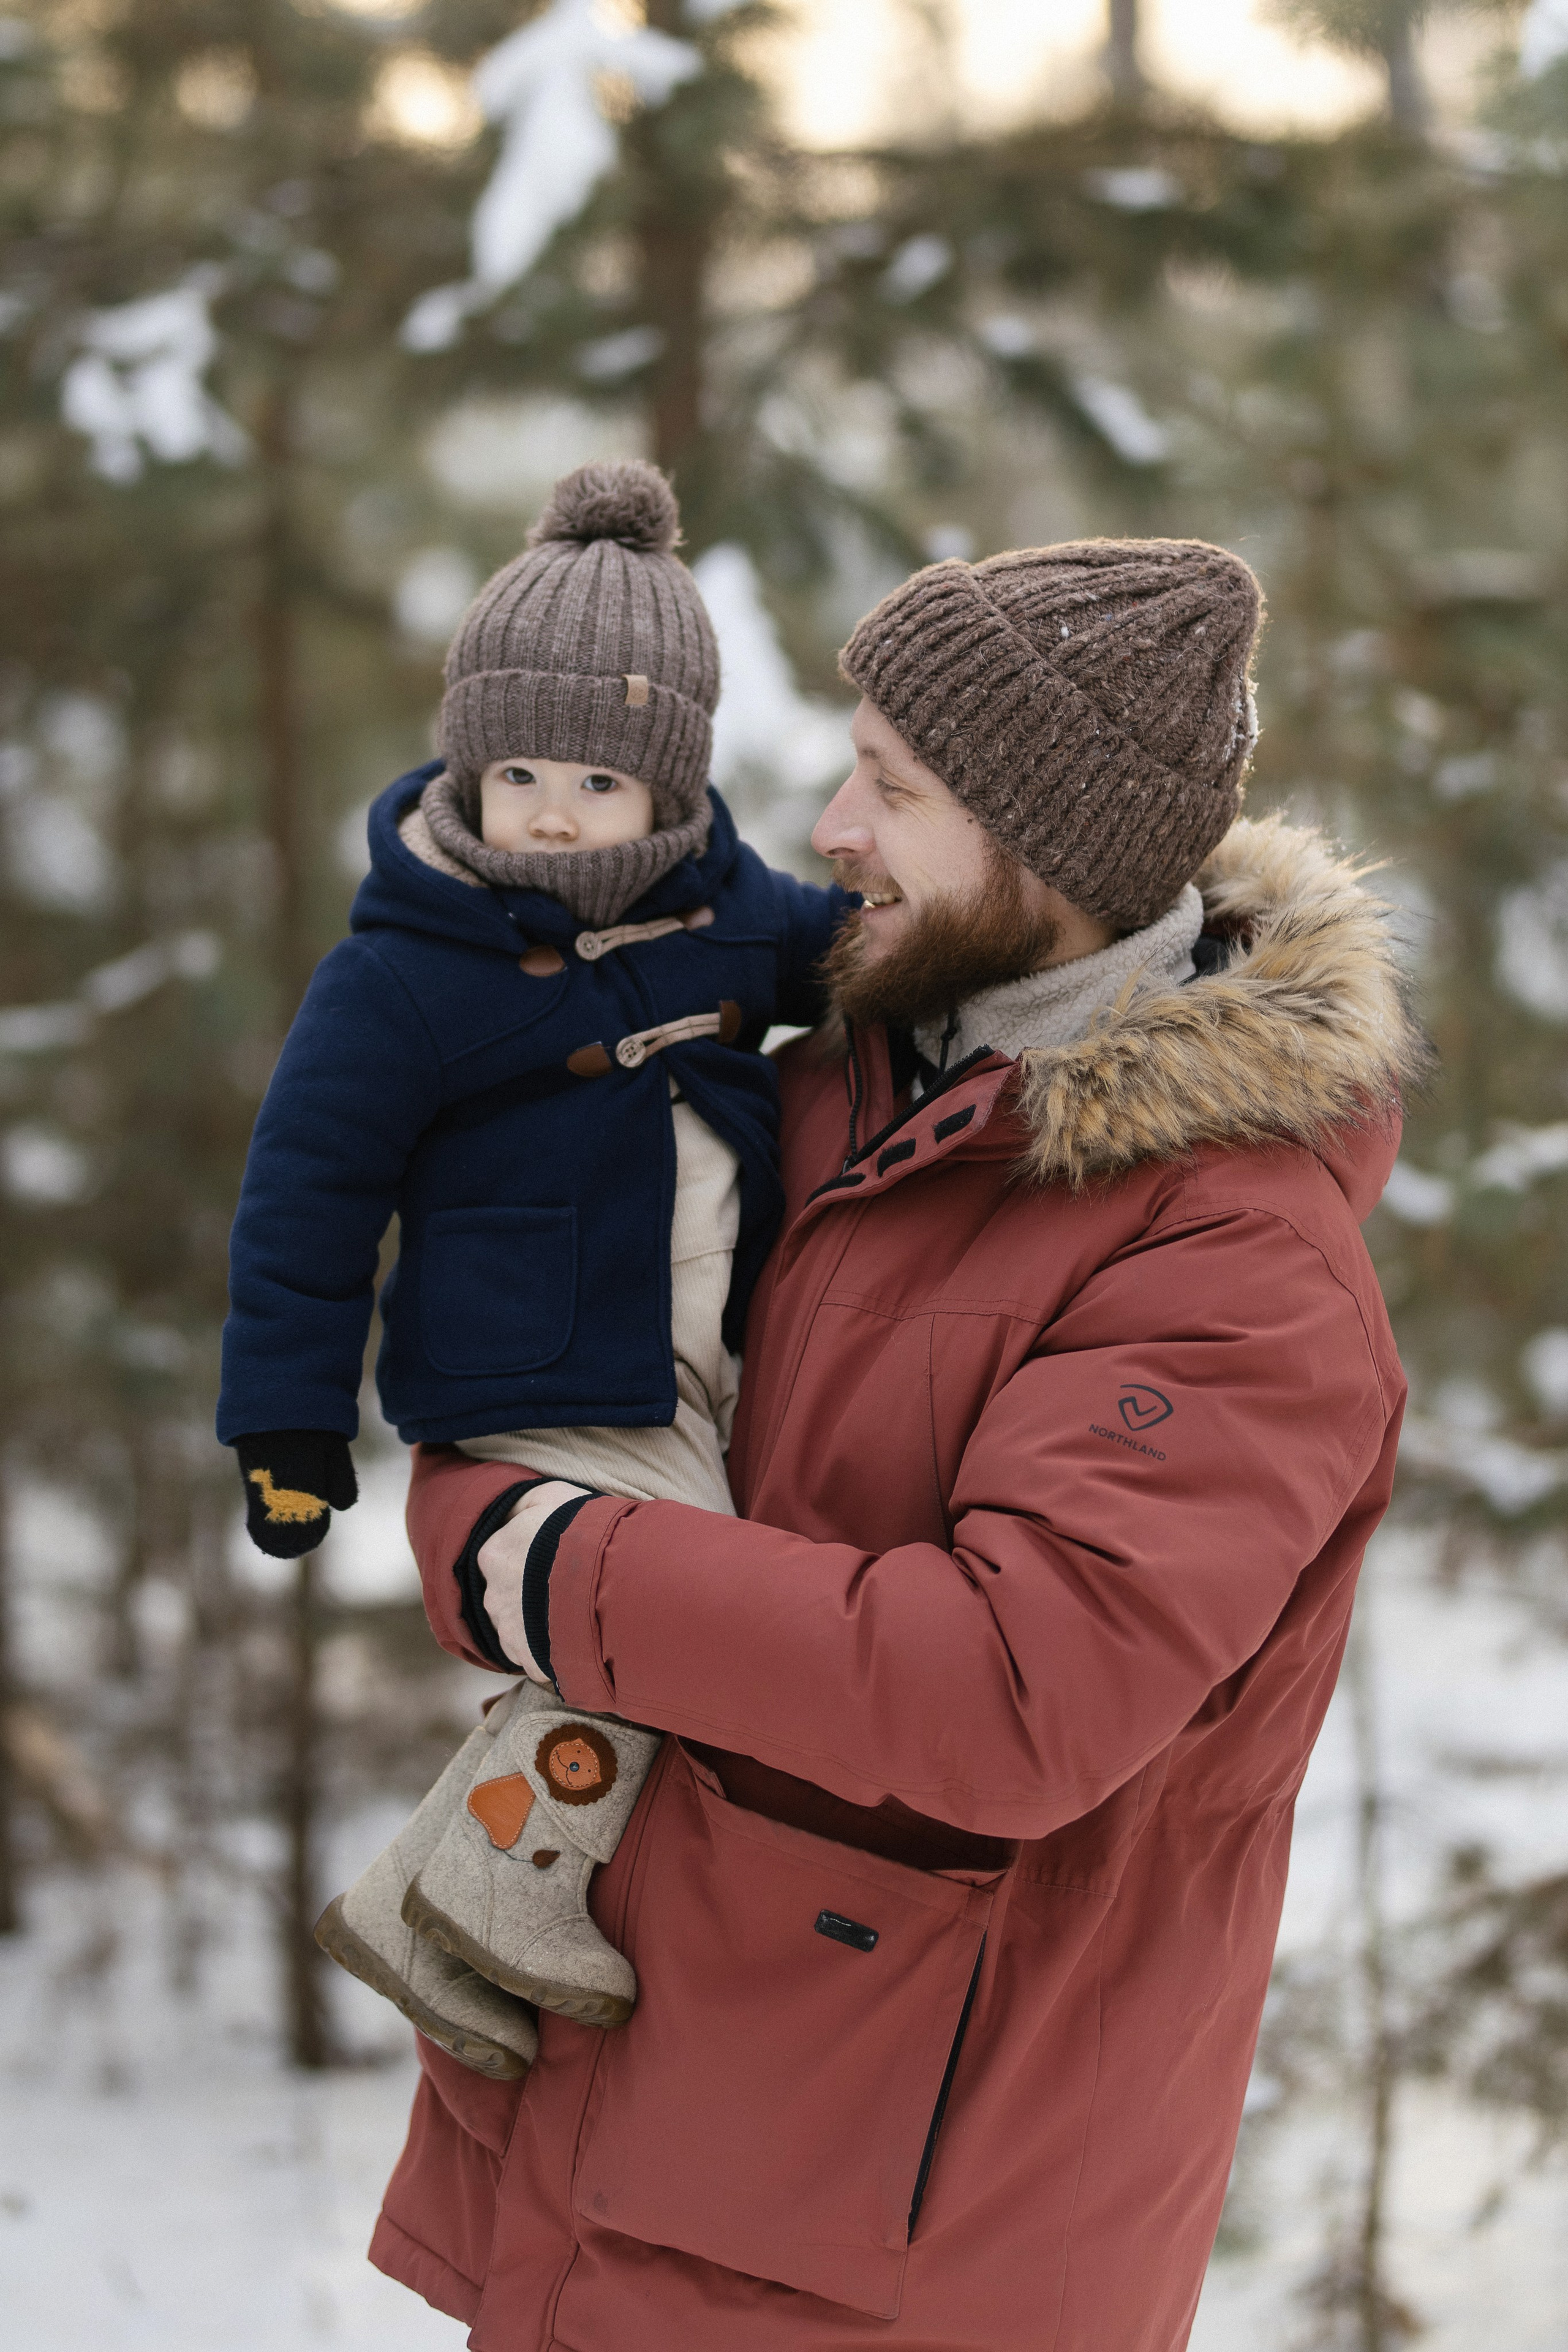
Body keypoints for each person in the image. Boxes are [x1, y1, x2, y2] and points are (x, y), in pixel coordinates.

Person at [375, 534, 1419, 2352]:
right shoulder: (807, 1091)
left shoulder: (1239, 1258)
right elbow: (497, 1405)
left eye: (900, 786)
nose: (836, 825)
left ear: (1058, 848)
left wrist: (556, 1564)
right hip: (620, 2130)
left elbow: (1014, 1698)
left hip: (900, 2237)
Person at [216, 460, 846, 2082]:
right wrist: (286, 1422)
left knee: (676, 1602)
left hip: (695, 1355)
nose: (553, 811)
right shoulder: (405, 971)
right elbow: (307, 1190)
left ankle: (427, 1887)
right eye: (517, 772)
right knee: (681, 1607)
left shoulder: (727, 915)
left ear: (672, 790)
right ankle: (506, 1878)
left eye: (596, 778)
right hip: (535, 1360)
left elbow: (863, 950)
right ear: (466, 765)